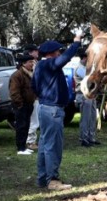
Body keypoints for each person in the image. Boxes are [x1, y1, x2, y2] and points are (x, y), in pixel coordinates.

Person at [32, 35, 83, 190]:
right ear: (52, 53)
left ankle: (42, 179)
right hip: (53, 110)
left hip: (45, 108)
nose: (60, 53)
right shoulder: (50, 64)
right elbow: (66, 58)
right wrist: (76, 43)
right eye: (58, 51)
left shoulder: (39, 67)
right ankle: (52, 180)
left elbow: (34, 88)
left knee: (44, 145)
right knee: (53, 146)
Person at [10, 54, 37, 155]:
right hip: (21, 105)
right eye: (30, 62)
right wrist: (20, 104)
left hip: (29, 104)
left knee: (26, 125)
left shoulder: (29, 74)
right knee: (21, 126)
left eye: (32, 62)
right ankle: (20, 148)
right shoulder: (17, 75)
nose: (32, 64)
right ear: (23, 63)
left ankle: (24, 146)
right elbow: (14, 92)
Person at [74, 53, 100, 147]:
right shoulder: (80, 68)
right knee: (85, 118)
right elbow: (89, 78)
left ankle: (91, 138)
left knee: (93, 117)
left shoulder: (86, 68)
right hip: (84, 95)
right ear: (84, 58)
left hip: (91, 95)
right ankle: (84, 139)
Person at [21, 45, 41, 151]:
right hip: (31, 98)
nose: (38, 52)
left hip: (35, 97)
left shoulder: (35, 63)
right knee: (34, 121)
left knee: (35, 120)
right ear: (30, 52)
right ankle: (30, 141)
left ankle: (31, 140)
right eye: (35, 51)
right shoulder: (26, 69)